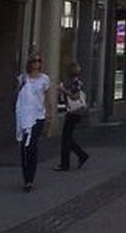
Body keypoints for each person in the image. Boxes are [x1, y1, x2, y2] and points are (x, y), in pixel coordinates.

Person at [15, 52, 51, 191]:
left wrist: (50, 114)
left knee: (32, 145)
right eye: (34, 61)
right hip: (24, 116)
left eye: (39, 61)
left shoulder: (44, 79)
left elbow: (47, 97)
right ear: (30, 63)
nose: (37, 63)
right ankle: (26, 177)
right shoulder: (23, 78)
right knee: (24, 147)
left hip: (38, 116)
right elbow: (18, 95)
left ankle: (30, 179)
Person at [55, 62, 90, 172]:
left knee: (66, 137)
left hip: (74, 112)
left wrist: (63, 90)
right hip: (75, 112)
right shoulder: (76, 82)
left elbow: (74, 96)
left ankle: (66, 163)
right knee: (67, 137)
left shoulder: (75, 83)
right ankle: (80, 155)